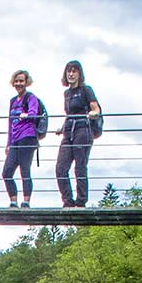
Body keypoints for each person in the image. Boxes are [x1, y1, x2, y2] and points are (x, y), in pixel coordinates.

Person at [55, 59, 101, 207]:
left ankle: (81, 201)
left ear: (79, 74)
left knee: (80, 166)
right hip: (69, 130)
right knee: (61, 167)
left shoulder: (86, 90)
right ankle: (68, 201)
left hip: (82, 129)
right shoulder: (66, 93)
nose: (71, 74)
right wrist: (62, 128)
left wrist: (93, 114)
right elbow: (69, 113)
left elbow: (96, 108)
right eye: (69, 71)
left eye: (74, 71)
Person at [2, 69, 40, 208]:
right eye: (16, 81)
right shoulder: (13, 101)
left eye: (21, 81)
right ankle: (13, 201)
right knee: (7, 172)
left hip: (28, 136)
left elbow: (34, 113)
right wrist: (8, 143)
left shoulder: (31, 97)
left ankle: (26, 201)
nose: (19, 83)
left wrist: (27, 115)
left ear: (26, 82)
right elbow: (10, 122)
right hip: (15, 138)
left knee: (25, 169)